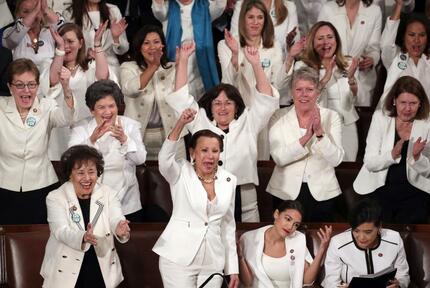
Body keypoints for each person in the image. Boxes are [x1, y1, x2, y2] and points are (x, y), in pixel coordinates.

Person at [167, 42, 279, 222]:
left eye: (228, 103)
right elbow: (180, 98)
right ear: (210, 108)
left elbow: (266, 99)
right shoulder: (200, 121)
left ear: (237, 107)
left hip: (244, 198)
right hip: (207, 193)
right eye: (217, 103)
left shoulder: (249, 121)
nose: (223, 108)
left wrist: (256, 64)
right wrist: (184, 61)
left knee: (245, 244)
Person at [152, 110, 239, 288]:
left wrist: (233, 268)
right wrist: (180, 124)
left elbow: (228, 226)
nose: (210, 156)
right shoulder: (180, 172)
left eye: (215, 151)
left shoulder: (229, 179)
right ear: (193, 152)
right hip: (178, 259)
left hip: (213, 261)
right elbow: (164, 159)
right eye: (204, 150)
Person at [40, 145, 130, 287]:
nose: (87, 178)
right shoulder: (56, 197)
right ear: (70, 174)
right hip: (65, 269)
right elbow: (60, 231)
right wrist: (83, 237)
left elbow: (115, 216)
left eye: (91, 172)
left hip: (101, 266)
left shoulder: (108, 193)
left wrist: (119, 227)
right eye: (81, 173)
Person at [0, 58, 74, 224]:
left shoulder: (47, 106)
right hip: (4, 186)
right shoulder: (1, 106)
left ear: (38, 86)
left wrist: (67, 88)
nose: (26, 90)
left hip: (42, 185)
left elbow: (67, 118)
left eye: (31, 84)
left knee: (39, 237)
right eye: (19, 85)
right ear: (10, 87)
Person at [267, 66, 344, 222]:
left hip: (323, 193)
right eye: (299, 89)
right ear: (291, 92)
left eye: (309, 89)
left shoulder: (332, 116)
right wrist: (306, 138)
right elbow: (279, 158)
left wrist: (320, 134)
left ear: (318, 92)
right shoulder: (278, 116)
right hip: (285, 193)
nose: (304, 94)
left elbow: (336, 159)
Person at [353, 76, 430, 224]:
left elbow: (428, 171)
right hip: (380, 187)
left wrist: (417, 157)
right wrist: (391, 155)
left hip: (416, 190)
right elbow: (369, 163)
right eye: (403, 103)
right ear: (394, 101)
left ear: (420, 104)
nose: (407, 109)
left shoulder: (427, 123)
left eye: (413, 103)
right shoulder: (381, 118)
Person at [69, 80, 147, 222]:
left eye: (111, 106)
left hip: (127, 204)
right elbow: (71, 161)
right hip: (91, 203)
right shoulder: (80, 129)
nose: (107, 112)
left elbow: (140, 159)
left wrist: (125, 139)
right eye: (101, 107)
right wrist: (91, 140)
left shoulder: (130, 126)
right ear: (92, 110)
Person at [218, 0, 287, 160]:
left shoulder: (273, 45)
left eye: (260, 17)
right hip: (237, 116)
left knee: (262, 166)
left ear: (265, 20)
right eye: (250, 17)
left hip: (264, 116)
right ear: (243, 19)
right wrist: (235, 54)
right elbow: (228, 85)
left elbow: (277, 84)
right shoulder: (226, 44)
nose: (255, 22)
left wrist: (289, 60)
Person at [286, 21, 359, 161]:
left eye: (330, 37)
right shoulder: (303, 65)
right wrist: (326, 77)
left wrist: (351, 79)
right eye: (320, 38)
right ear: (312, 42)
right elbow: (304, 97)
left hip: (346, 125)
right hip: (317, 126)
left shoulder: (348, 63)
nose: (326, 42)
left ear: (336, 40)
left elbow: (353, 97)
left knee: (347, 169)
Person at [40, 22, 111, 160]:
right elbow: (53, 80)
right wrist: (60, 50)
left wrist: (97, 43)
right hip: (58, 132)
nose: (66, 46)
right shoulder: (49, 64)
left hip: (85, 130)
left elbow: (103, 79)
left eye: (70, 41)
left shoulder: (90, 67)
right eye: (62, 41)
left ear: (80, 43)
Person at [120, 25, 184, 160]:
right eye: (146, 43)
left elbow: (182, 97)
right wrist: (153, 66)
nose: (152, 47)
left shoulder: (172, 68)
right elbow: (130, 90)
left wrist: (182, 64)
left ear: (163, 45)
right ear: (139, 47)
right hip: (138, 137)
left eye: (156, 42)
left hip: (170, 135)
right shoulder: (128, 67)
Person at [238, 200, 332, 287]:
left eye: (296, 224)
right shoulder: (249, 238)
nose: (290, 227)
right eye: (288, 219)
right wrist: (240, 257)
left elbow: (307, 281)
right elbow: (247, 282)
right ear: (276, 214)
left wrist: (322, 248)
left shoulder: (297, 239)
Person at [323, 199, 410, 288]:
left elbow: (403, 275)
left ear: (379, 227)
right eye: (356, 231)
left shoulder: (394, 239)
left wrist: (398, 284)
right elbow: (330, 282)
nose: (361, 238)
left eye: (368, 232)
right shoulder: (337, 243)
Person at [152, 0, 226, 99]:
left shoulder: (205, 5)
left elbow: (220, 6)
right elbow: (158, 11)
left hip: (199, 60)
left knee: (199, 96)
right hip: (174, 59)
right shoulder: (167, 6)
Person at [318, 0, 382, 107]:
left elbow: (374, 48)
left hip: (362, 80)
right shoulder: (328, 9)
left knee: (359, 120)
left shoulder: (374, 11)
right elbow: (318, 43)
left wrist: (372, 59)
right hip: (332, 78)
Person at [378, 0, 430, 107]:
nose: (417, 40)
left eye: (422, 35)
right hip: (393, 120)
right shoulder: (394, 57)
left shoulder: (428, 62)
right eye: (411, 35)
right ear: (403, 36)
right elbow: (386, 44)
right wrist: (399, 5)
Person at [63, 0, 128, 79]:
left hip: (110, 67)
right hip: (83, 68)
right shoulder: (70, 13)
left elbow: (123, 49)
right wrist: (86, 54)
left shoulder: (113, 10)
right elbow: (67, 46)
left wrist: (116, 38)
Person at [2, 0, 64, 69]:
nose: (32, 16)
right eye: (26, 11)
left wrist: (45, 9)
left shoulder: (50, 32)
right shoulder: (11, 32)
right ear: (17, 14)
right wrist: (35, 11)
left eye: (36, 11)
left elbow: (64, 28)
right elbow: (12, 40)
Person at [230, 0, 299, 55]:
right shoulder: (241, 4)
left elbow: (295, 45)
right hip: (247, 64)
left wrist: (289, 45)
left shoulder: (289, 7)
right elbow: (234, 38)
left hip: (279, 66)